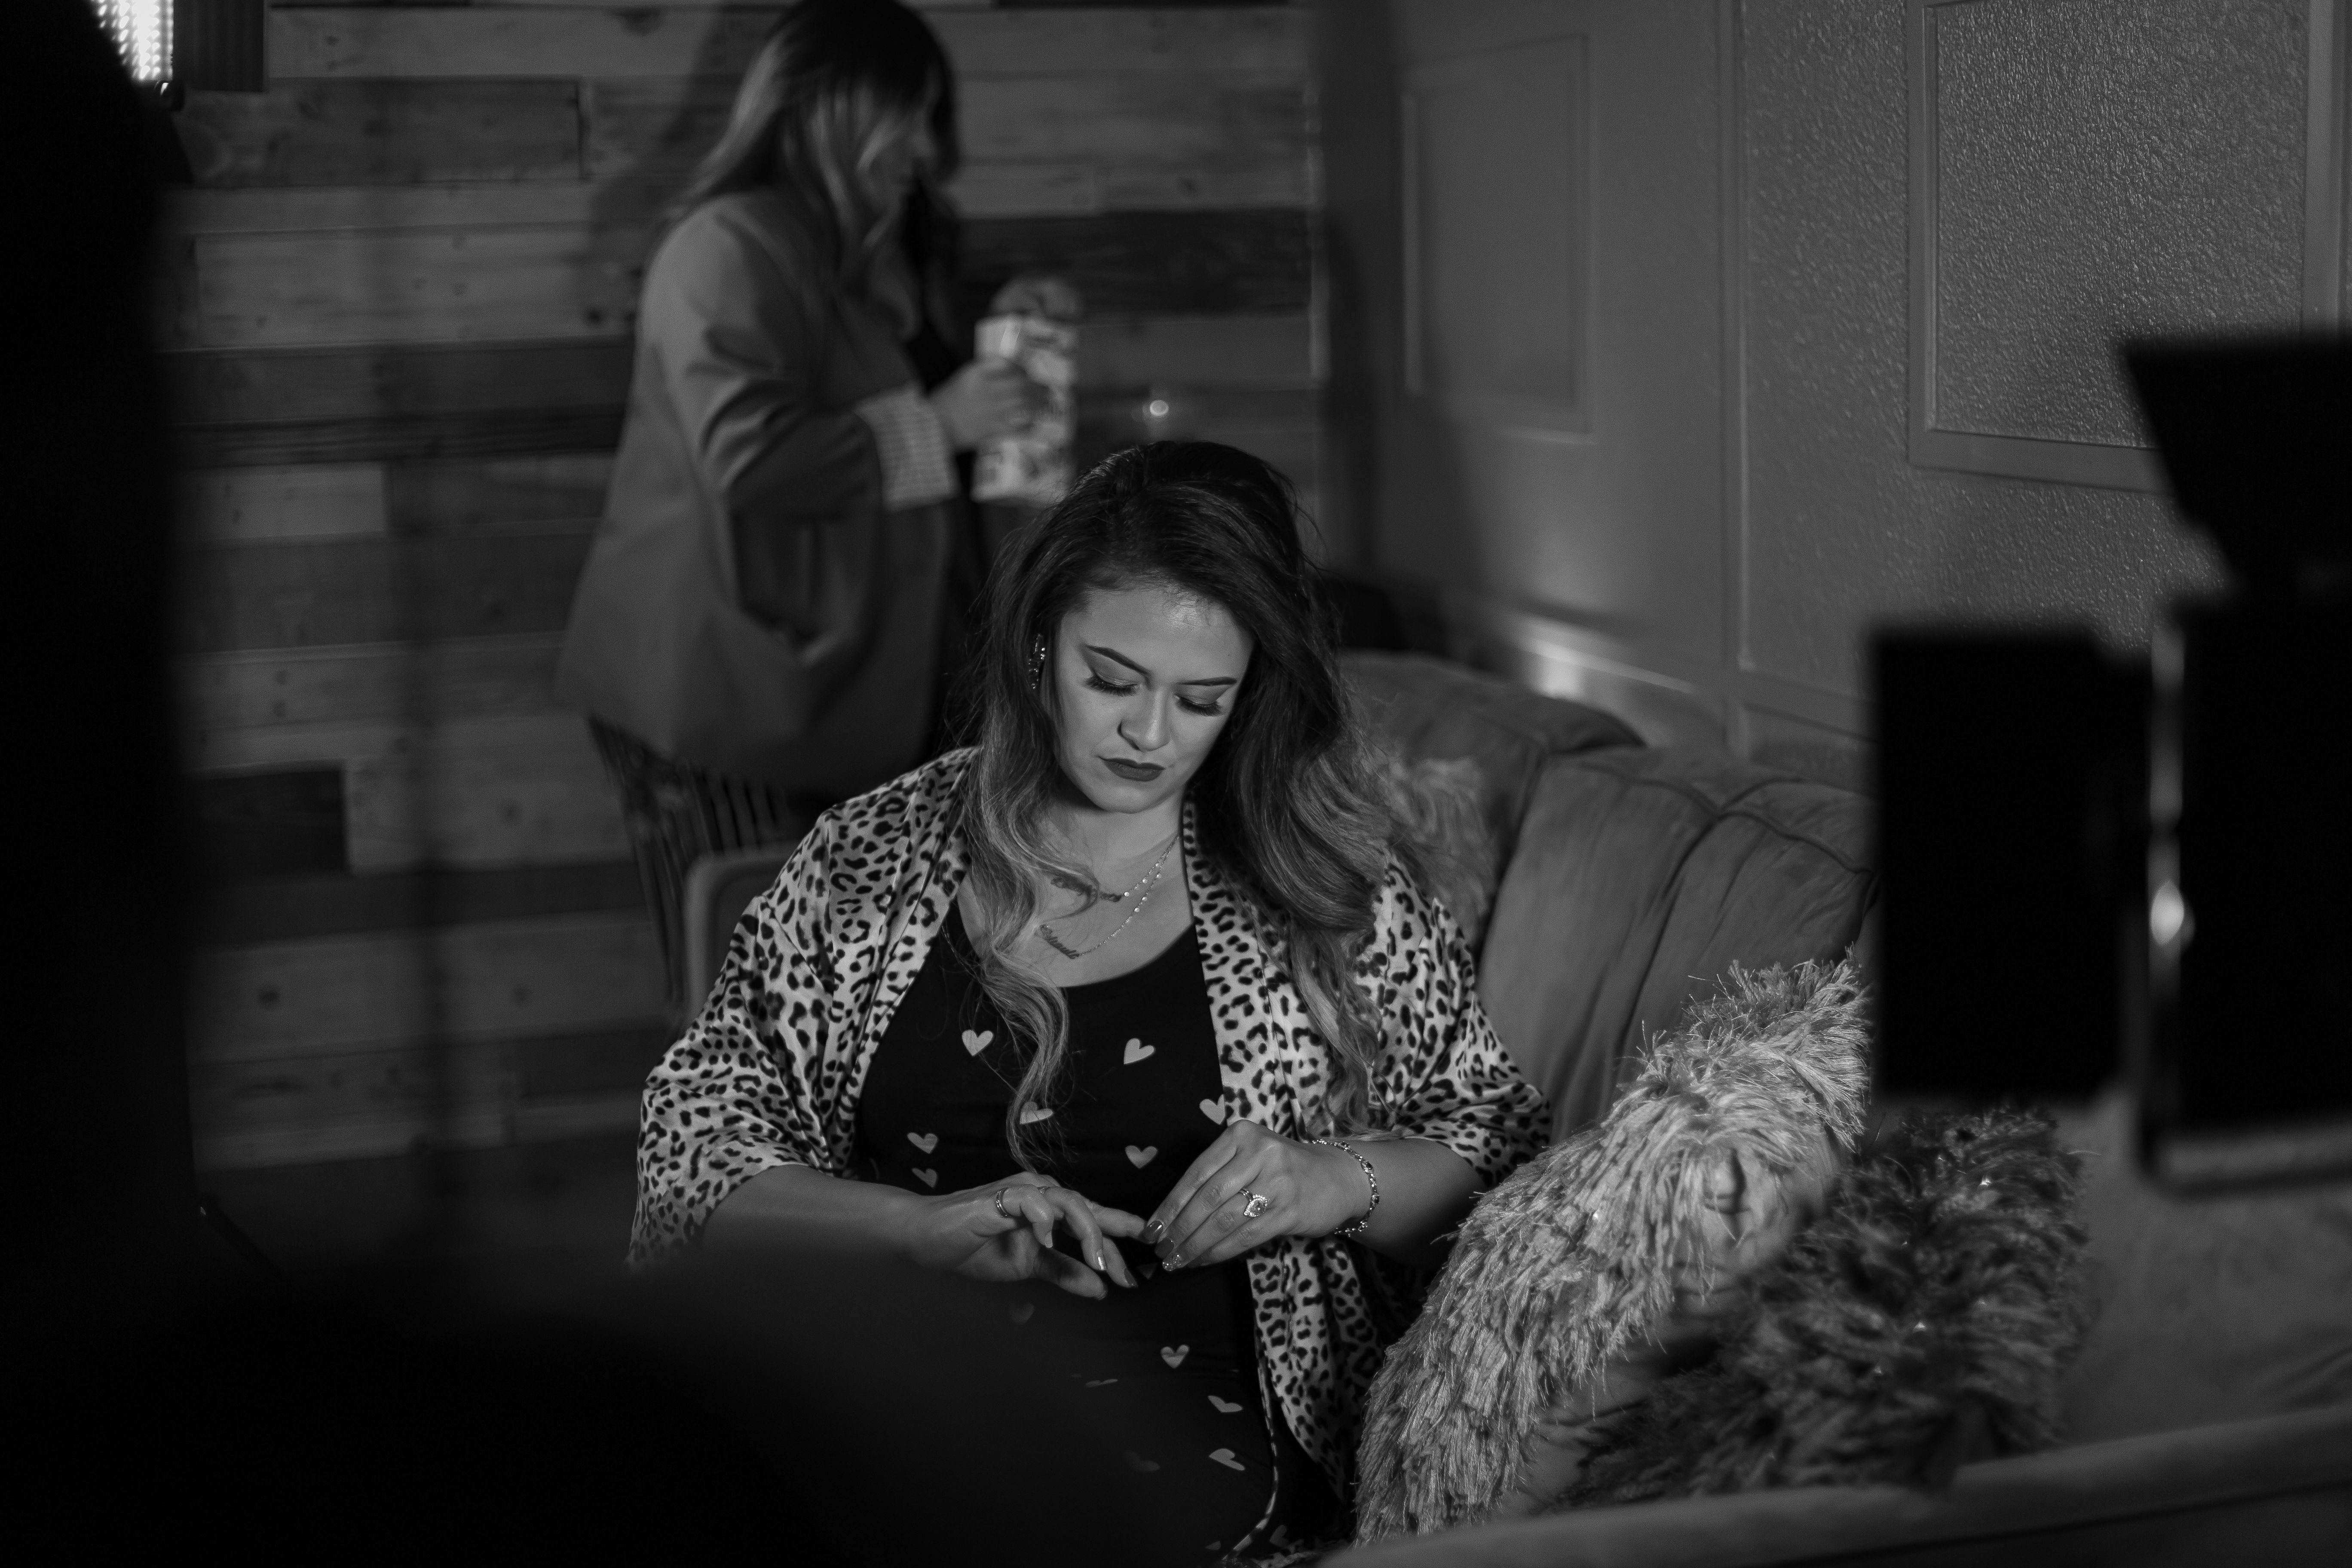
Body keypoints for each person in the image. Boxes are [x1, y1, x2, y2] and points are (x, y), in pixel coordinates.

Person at [631, 441, 1548, 1557]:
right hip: (899, 1406)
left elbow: (1498, 1154)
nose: (1150, 737)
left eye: (1201, 700)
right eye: (1111, 681)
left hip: (1200, 1441)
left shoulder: (1320, 888)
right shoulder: (871, 856)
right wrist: (914, 1231)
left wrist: (1329, 1181)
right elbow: (694, 1144)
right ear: (1038, 647)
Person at [556, 0, 1033, 1006]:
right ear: (832, 107)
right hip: (731, 701)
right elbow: (752, 458)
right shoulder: (725, 247)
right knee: (753, 997)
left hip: (837, 702)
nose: (925, 149)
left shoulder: (865, 257)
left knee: (844, 1000)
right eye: (909, 114)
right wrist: (938, 424)